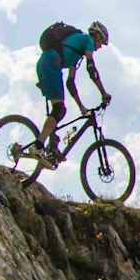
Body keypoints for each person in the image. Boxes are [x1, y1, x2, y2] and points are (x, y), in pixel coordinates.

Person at [33, 21, 112, 169]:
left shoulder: (76, 52)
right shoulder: (87, 40)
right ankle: (38, 146)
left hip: (47, 63)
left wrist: (81, 106)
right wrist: (103, 92)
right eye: (101, 42)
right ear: (96, 36)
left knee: (58, 110)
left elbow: (70, 83)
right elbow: (91, 69)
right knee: (60, 110)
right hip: (51, 64)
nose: (100, 46)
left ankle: (51, 145)